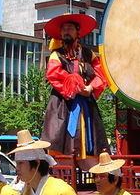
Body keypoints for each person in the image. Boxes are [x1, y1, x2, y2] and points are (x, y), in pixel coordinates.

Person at [41, 13, 108, 166]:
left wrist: (90, 88)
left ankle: (92, 170)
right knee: (58, 138)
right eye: (63, 29)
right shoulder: (56, 55)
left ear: (78, 32)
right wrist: (76, 86)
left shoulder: (88, 54)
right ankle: (62, 169)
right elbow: (54, 75)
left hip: (86, 104)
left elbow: (101, 75)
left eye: (70, 28)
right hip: (62, 105)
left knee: (90, 141)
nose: (66, 31)